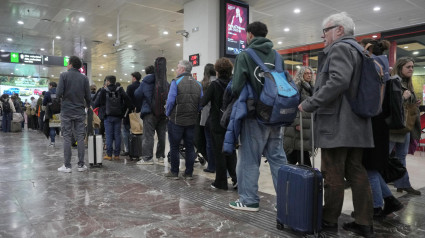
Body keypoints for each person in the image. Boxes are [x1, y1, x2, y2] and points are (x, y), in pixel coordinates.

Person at [299, 12, 374, 237]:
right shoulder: (360, 50)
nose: (323, 36)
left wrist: (310, 103)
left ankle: (329, 219)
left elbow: (338, 82)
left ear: (339, 30)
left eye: (325, 31)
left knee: (332, 172)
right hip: (358, 123)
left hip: (338, 123)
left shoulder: (340, 48)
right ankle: (364, 222)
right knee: (356, 171)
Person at [229, 21, 287, 212]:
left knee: (249, 159)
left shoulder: (245, 55)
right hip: (277, 115)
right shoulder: (278, 56)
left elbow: (236, 86)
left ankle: (249, 200)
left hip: (255, 115)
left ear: (250, 35)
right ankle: (286, 202)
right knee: (278, 159)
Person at [357, 38, 404, 218]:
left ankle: (376, 206)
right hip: (381, 125)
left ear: (367, 50)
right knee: (373, 167)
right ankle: (390, 200)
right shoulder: (384, 69)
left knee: (369, 167)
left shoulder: (373, 69)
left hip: (374, 125)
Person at [201, 57, 237, 190]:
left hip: (216, 123)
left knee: (219, 152)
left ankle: (221, 182)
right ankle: (235, 179)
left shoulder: (214, 85)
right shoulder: (234, 83)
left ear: (217, 71)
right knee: (231, 151)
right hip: (231, 122)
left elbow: (203, 102)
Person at [164, 60, 203, 179]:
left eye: (177, 68)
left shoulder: (176, 82)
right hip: (191, 121)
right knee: (190, 147)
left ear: (182, 69)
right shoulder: (198, 84)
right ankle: (188, 173)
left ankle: (174, 172)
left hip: (176, 120)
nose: (176, 70)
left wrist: (167, 113)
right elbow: (201, 103)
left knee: (175, 147)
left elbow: (170, 101)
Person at [389, 57, 421, 195]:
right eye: (408, 67)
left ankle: (402, 183)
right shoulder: (393, 82)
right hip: (396, 125)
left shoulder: (407, 84)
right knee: (385, 155)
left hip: (406, 125)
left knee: (401, 155)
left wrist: (413, 101)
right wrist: (404, 98)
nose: (411, 69)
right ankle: (378, 182)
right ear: (400, 67)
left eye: (412, 67)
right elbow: (389, 104)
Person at [56, 55, 91, 173]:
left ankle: (67, 166)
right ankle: (81, 165)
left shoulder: (63, 75)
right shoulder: (84, 78)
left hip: (66, 111)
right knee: (80, 137)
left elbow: (58, 93)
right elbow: (88, 96)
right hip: (80, 111)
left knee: (67, 136)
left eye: (67, 63)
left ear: (70, 64)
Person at [135, 65, 168, 165]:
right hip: (162, 112)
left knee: (148, 136)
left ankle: (147, 158)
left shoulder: (145, 82)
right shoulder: (164, 81)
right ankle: (160, 157)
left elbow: (137, 94)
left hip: (149, 112)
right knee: (162, 135)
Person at [94, 75, 132, 160]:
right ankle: (117, 155)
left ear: (107, 81)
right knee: (117, 135)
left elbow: (96, 103)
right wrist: (123, 111)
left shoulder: (104, 90)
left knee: (109, 135)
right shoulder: (120, 89)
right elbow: (128, 101)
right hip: (118, 117)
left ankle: (109, 154)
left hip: (108, 116)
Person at [284, 66, 314, 167]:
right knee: (298, 150)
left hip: (307, 125)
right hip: (298, 125)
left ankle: (291, 174)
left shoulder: (311, 88)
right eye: (306, 73)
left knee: (299, 151)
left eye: (310, 73)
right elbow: (293, 106)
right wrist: (296, 122)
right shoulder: (298, 87)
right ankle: (306, 174)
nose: (309, 75)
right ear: (301, 74)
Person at [200, 63, 216, 173]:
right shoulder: (221, 82)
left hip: (206, 116)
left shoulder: (204, 84)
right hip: (220, 116)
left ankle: (211, 166)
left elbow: (202, 102)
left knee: (209, 143)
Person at [121, 71, 142, 157]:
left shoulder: (130, 87)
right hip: (140, 112)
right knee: (139, 131)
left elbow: (127, 100)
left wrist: (130, 108)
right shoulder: (142, 86)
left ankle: (129, 149)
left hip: (130, 112)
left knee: (126, 130)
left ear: (134, 78)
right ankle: (138, 149)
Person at [43, 82, 60, 147]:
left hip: (50, 112)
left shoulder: (47, 93)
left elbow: (44, 103)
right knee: (57, 126)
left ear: (51, 86)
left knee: (52, 127)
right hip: (58, 112)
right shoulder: (59, 92)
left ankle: (52, 142)